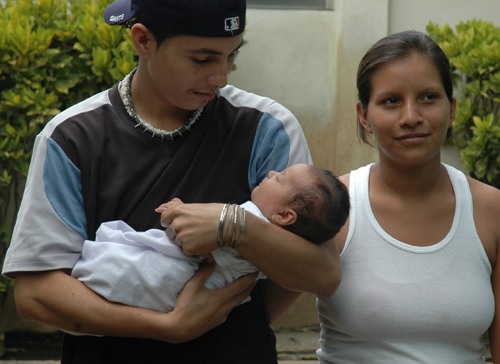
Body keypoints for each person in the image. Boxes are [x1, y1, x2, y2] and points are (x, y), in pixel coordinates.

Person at [2, 0, 342, 363]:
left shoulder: (267, 128)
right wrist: (169, 327)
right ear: (143, 40)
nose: (222, 77)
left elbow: (321, 273)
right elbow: (35, 293)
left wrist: (235, 226)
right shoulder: (71, 138)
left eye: (232, 56)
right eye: (202, 59)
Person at [313, 30, 500, 363]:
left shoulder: (491, 210)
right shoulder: (332, 207)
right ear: (363, 115)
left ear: (452, 108)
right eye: (391, 101)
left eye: (429, 97)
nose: (411, 117)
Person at [71, 164, 350, 314]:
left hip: (177, 279)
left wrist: (176, 213)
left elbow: (194, 242)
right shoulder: (275, 250)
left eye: (279, 179)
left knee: (120, 266)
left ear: (285, 216)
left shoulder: (252, 223)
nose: (271, 173)